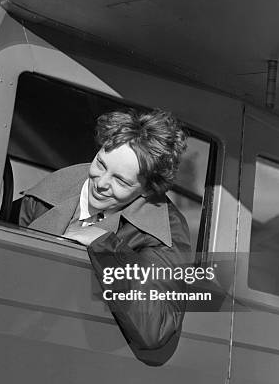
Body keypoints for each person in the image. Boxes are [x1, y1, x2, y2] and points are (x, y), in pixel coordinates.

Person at [11, 109, 191, 365]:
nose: (101, 182)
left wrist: (106, 248)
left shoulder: (164, 230)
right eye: (100, 164)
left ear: (148, 187)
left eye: (120, 180)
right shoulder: (48, 191)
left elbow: (156, 328)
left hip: (87, 360)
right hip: (18, 335)